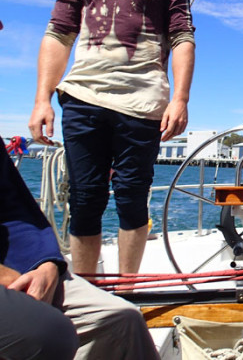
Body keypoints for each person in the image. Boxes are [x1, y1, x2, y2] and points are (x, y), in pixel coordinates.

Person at [28, 0, 196, 276]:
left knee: (132, 198)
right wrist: (41, 99)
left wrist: (180, 98)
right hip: (83, 98)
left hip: (143, 102)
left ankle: (128, 291)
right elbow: (59, 34)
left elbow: (182, 36)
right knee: (85, 199)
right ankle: (87, 291)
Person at [0, 138, 160, 360]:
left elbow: (15, 210)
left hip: (20, 264)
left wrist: (46, 263)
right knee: (51, 334)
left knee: (123, 317)